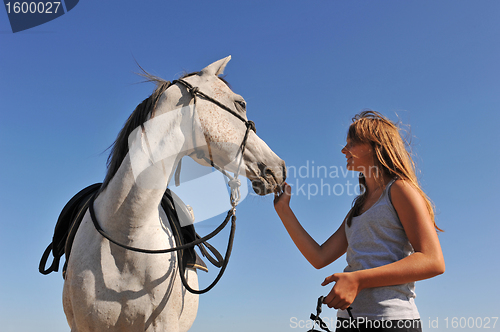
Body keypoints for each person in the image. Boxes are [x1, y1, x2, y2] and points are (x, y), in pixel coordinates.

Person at [274, 110, 445, 331]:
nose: (344, 150)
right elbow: (319, 257)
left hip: (392, 322)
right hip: (349, 322)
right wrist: (284, 211)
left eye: (352, 143)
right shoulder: (357, 208)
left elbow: (433, 261)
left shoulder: (400, 190)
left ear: (377, 146)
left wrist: (358, 280)